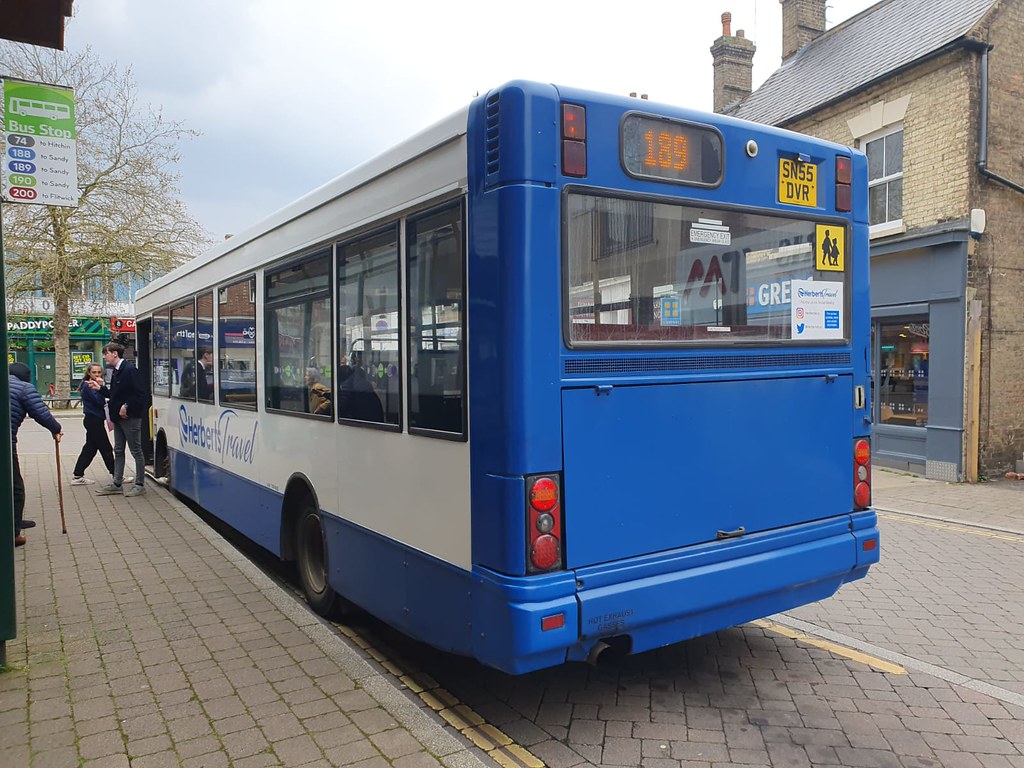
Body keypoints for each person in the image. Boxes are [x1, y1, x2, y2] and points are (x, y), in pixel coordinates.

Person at [8, 363, 63, 546]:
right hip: (6, 444)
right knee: (16, 488)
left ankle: (13, 520)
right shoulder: (24, 388)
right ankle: (13, 533)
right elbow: (41, 413)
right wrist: (56, 429)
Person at [88, 342, 149, 497]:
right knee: (119, 449)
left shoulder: (129, 370)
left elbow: (141, 394)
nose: (104, 356)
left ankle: (140, 484)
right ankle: (117, 483)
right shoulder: (116, 371)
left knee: (136, 450)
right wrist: (100, 389)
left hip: (130, 418)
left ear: (115, 353)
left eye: (106, 353)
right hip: (118, 418)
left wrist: (127, 405)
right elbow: (114, 395)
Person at [70, 363, 116, 485]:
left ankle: (78, 475)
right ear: (89, 373)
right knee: (106, 447)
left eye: (99, 372)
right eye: (94, 372)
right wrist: (101, 388)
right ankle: (116, 474)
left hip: (95, 420)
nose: (97, 375)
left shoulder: (92, 385)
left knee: (90, 448)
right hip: (93, 420)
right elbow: (99, 401)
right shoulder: (88, 386)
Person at [337, 351, 384, 422]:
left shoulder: (349, 385)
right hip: (374, 417)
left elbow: (341, 406)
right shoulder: (360, 383)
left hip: (365, 419)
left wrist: (324, 412)